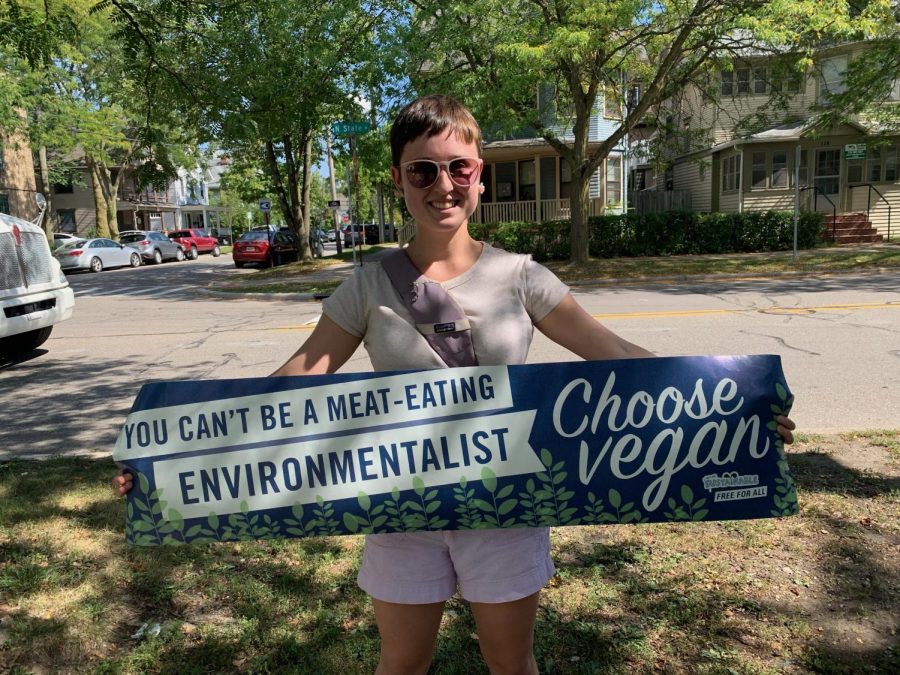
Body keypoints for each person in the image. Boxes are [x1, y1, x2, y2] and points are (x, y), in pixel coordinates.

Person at [115, 94, 795, 675]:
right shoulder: (368, 283)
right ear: (399, 179)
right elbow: (304, 371)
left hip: (506, 506)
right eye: (424, 170)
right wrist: (171, 450)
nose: (444, 184)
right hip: (400, 512)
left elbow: (612, 353)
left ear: (480, 176)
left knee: (509, 663)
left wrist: (732, 409)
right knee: (402, 664)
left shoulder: (523, 276)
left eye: (459, 167)